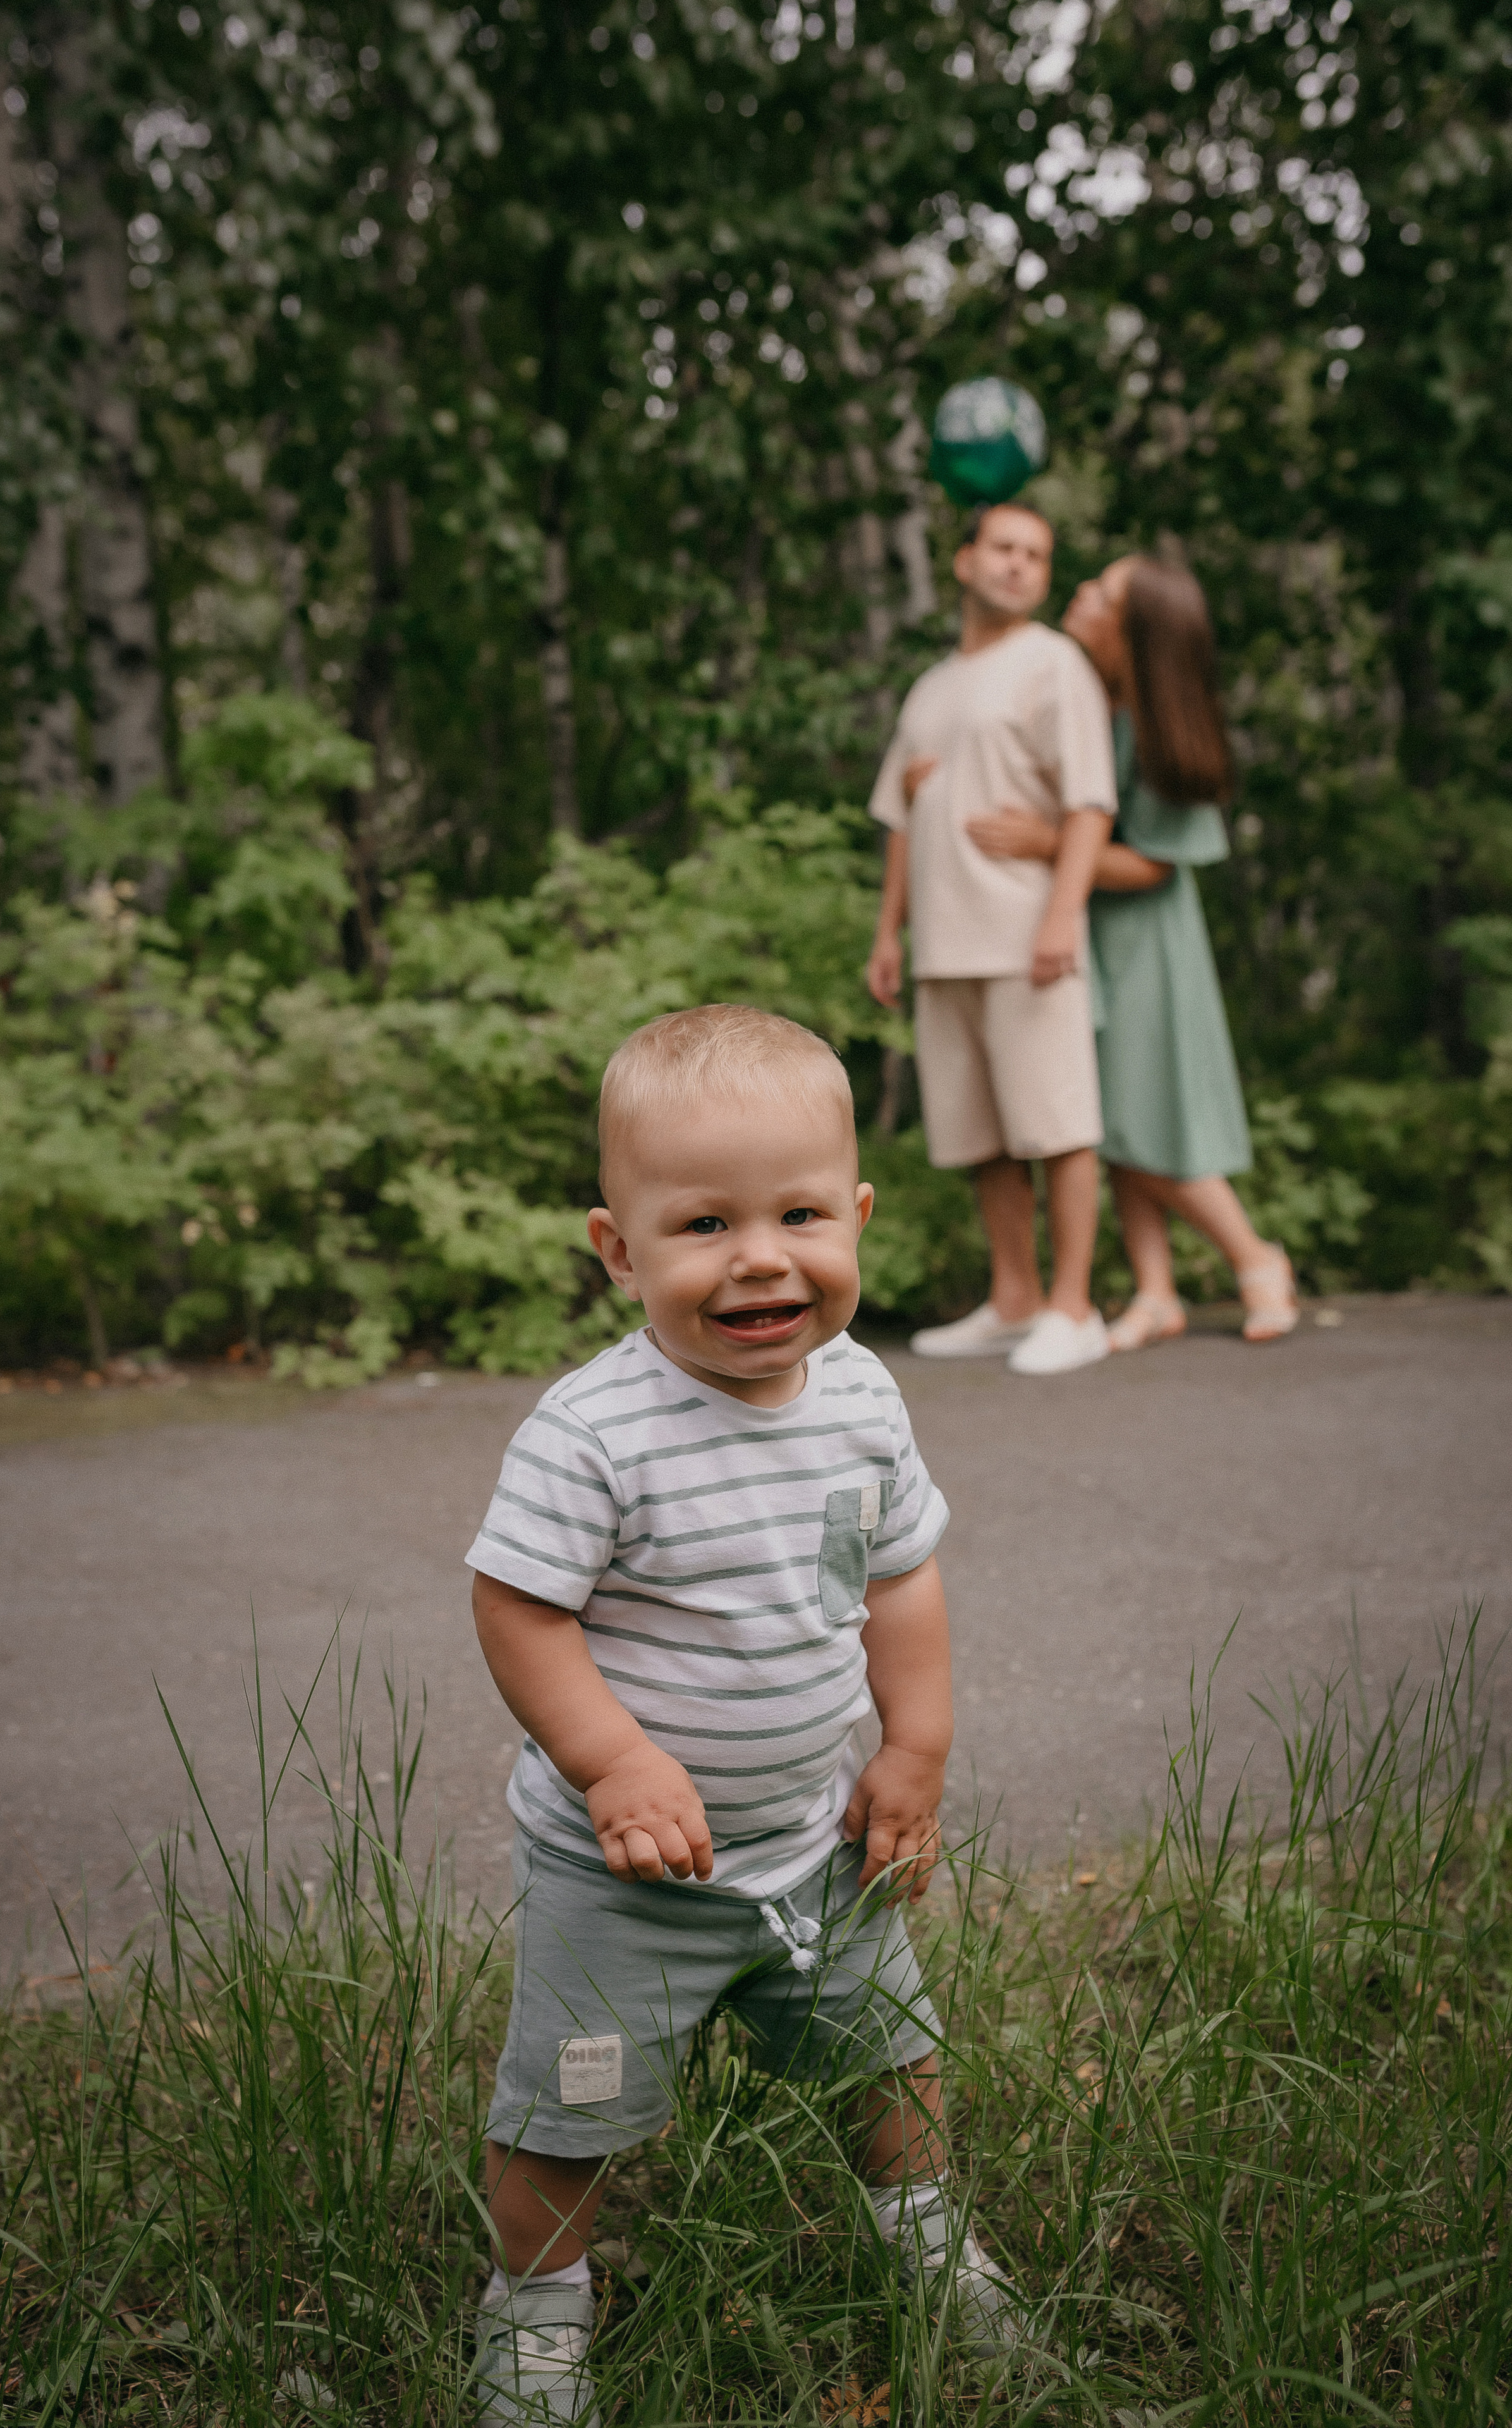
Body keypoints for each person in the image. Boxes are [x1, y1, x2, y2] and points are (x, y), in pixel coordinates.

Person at [466, 1004, 1015, 2426]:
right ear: (617, 1249)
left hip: (812, 1842)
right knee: (562, 2116)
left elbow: (897, 1577)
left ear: (859, 1217)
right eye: (702, 1223)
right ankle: (534, 2316)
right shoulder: (594, 1434)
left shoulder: (860, 1398)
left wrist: (913, 1749)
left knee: (894, 2059)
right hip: (625, 1874)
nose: (760, 1256)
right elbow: (518, 1609)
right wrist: (612, 1760)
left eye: (798, 1214)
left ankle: (927, 2248)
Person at [964, 555, 1299, 1348]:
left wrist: (1046, 844)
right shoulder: (1086, 702)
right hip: (1081, 928)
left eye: (1102, 593)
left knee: (1131, 1117)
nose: (1079, 592)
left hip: (1144, 937)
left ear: (1133, 628)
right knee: (1103, 1111)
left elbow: (1153, 861)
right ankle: (1155, 1290)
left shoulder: (1157, 726)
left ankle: (1256, 1257)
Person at [865, 501, 1118, 1378]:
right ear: (966, 561)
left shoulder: (1055, 664)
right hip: (944, 944)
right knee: (982, 1138)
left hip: (1025, 935)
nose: (1019, 566)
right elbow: (901, 812)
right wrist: (888, 933)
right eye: (1004, 548)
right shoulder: (931, 687)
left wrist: (1061, 914)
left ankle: (1073, 1306)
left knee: (1058, 1125)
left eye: (1037, 555)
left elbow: (1089, 802)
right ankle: (1013, 1300)